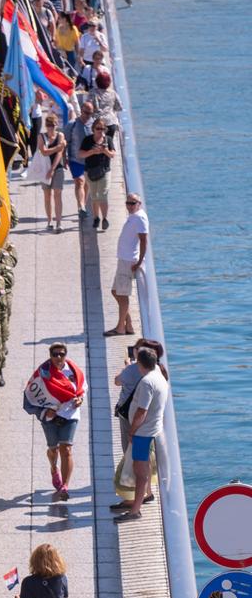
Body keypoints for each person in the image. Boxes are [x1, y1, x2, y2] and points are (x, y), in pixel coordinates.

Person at [111, 346, 169, 522]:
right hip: (151, 429)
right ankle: (137, 502)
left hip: (143, 434)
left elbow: (141, 412)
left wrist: (132, 430)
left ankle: (135, 510)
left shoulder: (146, 383)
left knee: (140, 472)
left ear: (140, 364)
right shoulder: (158, 373)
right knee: (141, 470)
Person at [25, 342, 85, 500]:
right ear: (50, 356)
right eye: (55, 354)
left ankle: (65, 485)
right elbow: (32, 395)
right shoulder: (43, 373)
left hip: (70, 414)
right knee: (54, 449)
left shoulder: (73, 370)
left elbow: (80, 389)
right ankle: (53, 468)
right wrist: (46, 411)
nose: (59, 357)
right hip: (50, 416)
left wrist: (80, 399)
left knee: (66, 449)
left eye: (62, 354)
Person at [108, 192, 149, 336]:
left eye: (133, 203)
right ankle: (129, 325)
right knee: (115, 291)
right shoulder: (134, 216)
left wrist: (138, 262)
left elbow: (144, 241)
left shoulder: (140, 218)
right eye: (128, 203)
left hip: (128, 260)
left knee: (122, 294)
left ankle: (120, 328)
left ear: (139, 204)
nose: (129, 206)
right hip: (124, 259)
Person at [79, 116, 116, 230]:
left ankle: (105, 218)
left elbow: (113, 154)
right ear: (93, 129)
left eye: (102, 128)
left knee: (103, 195)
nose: (100, 131)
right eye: (98, 128)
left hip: (104, 171)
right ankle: (96, 217)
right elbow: (81, 154)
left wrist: (105, 150)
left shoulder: (108, 140)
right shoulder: (87, 140)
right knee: (94, 196)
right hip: (90, 171)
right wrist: (92, 151)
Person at [37, 112, 67, 232]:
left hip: (57, 168)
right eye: (49, 125)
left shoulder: (60, 135)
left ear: (56, 125)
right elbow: (43, 152)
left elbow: (60, 154)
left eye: (53, 125)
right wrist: (58, 147)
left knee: (58, 194)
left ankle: (58, 222)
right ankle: (49, 220)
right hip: (44, 169)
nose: (51, 127)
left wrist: (52, 169)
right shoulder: (41, 136)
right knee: (47, 195)